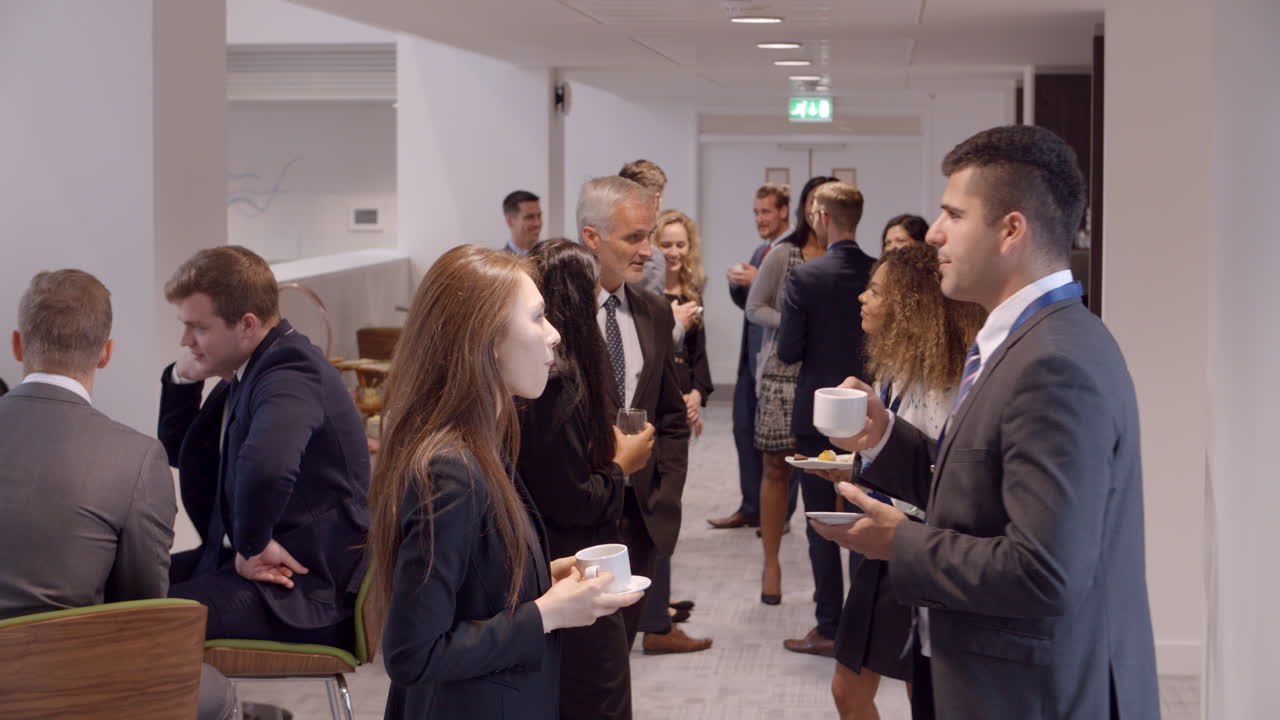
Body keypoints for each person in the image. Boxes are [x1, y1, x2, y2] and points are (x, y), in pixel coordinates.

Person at [813, 125, 1159, 719]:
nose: (936, 233)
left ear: (1011, 230)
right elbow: (983, 490)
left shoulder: (1053, 361)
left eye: (953, 214)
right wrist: (885, 437)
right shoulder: (1026, 340)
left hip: (1029, 696)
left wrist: (903, 544)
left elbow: (1045, 570)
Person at [370, 245, 640, 719]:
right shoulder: (450, 469)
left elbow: (472, 593)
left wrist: (547, 579)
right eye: (538, 318)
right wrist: (548, 613)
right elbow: (414, 653)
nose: (555, 334)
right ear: (486, 339)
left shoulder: (481, 445)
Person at [0, 269, 235, 720]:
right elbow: (142, 607)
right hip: (74, 684)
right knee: (216, 693)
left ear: (16, 344)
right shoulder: (137, 457)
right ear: (106, 354)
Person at [159, 246, 370, 649]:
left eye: (198, 328)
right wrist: (183, 380)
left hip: (298, 593)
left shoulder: (290, 371)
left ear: (246, 325)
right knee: (116, 592)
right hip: (239, 567)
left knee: (130, 622)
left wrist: (252, 544)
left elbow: (268, 468)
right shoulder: (253, 367)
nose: (185, 340)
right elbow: (178, 452)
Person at [823, 244, 985, 719]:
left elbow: (939, 479)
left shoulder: (947, 382)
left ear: (909, 306)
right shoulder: (897, 368)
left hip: (918, 548)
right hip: (885, 550)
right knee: (847, 689)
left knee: (923, 695)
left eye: (875, 290)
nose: (862, 298)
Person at [519, 239, 656, 720]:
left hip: (558, 559)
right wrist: (623, 464)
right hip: (572, 561)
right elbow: (574, 498)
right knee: (595, 695)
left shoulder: (549, 381)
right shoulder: (557, 387)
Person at [577, 176, 703, 653]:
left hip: (640, 516)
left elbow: (670, 414)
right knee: (582, 667)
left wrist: (664, 494)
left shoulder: (653, 311)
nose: (649, 252)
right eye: (634, 237)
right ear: (592, 237)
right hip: (575, 517)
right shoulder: (557, 316)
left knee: (616, 657)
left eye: (649, 236)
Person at [777, 181, 876, 656]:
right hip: (870, 417)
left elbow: (788, 349)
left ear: (820, 216)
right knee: (866, 515)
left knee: (821, 522)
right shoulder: (879, 274)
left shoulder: (806, 276)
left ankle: (829, 626)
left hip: (816, 416)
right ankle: (865, 627)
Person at [745, 176, 835, 609]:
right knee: (775, 467)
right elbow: (755, 307)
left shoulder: (846, 257)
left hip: (830, 377)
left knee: (827, 474)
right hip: (783, 372)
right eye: (815, 204)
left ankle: (830, 581)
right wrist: (795, 324)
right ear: (804, 208)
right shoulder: (784, 253)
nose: (822, 213)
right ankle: (770, 562)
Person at [709, 183, 791, 530]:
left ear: (783, 212)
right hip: (750, 358)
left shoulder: (792, 250)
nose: (760, 219)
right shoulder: (762, 251)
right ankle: (750, 506)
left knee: (778, 441)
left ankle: (779, 514)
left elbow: (794, 301)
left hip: (777, 361)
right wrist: (738, 283)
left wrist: (759, 278)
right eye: (756, 212)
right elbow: (750, 306)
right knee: (744, 431)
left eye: (766, 212)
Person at [619, 159, 670, 296]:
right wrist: (674, 316)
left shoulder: (602, 241)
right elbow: (650, 315)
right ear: (656, 200)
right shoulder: (651, 257)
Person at [503, 190, 543, 256]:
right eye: (529, 217)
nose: (537, 223)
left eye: (539, 216)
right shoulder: (498, 264)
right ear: (510, 221)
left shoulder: (551, 260)